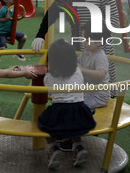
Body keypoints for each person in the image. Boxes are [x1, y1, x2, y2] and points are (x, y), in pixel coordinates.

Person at [31, 0, 119, 86]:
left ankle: (105, 102)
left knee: (100, 78)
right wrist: (40, 34)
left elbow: (112, 18)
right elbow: (53, 12)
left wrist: (96, 39)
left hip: (98, 45)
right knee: (79, 79)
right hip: (78, 41)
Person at [38, 39, 96, 169]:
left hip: (60, 114)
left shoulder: (48, 77)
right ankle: (78, 146)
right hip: (81, 114)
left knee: (43, 122)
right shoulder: (78, 72)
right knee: (74, 119)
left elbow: (52, 94)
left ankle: (53, 148)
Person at [77, 22, 111, 111]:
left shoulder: (100, 57)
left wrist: (82, 70)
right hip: (87, 93)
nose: (83, 42)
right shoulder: (86, 53)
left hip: (99, 96)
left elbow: (101, 74)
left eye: (87, 40)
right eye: (83, 38)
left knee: (79, 106)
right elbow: (76, 64)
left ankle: (87, 117)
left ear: (99, 41)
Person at [0, 0, 27, 66]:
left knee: (23, 38)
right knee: (2, 48)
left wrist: (21, 17)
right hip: (0, 32)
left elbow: (14, 19)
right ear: (5, 0)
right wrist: (4, 19)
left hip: (9, 31)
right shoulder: (3, 10)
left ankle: (18, 52)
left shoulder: (13, 8)